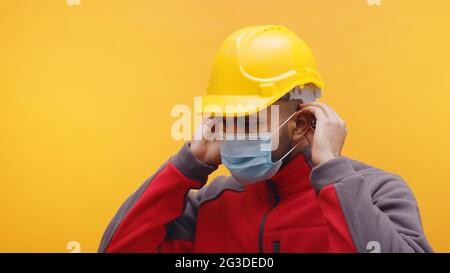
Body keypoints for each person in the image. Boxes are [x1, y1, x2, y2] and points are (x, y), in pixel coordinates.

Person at [98, 25, 432, 253]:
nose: (230, 136)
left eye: (248, 121)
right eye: (223, 121)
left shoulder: (376, 193)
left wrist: (333, 171)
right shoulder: (210, 204)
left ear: (301, 123)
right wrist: (185, 167)